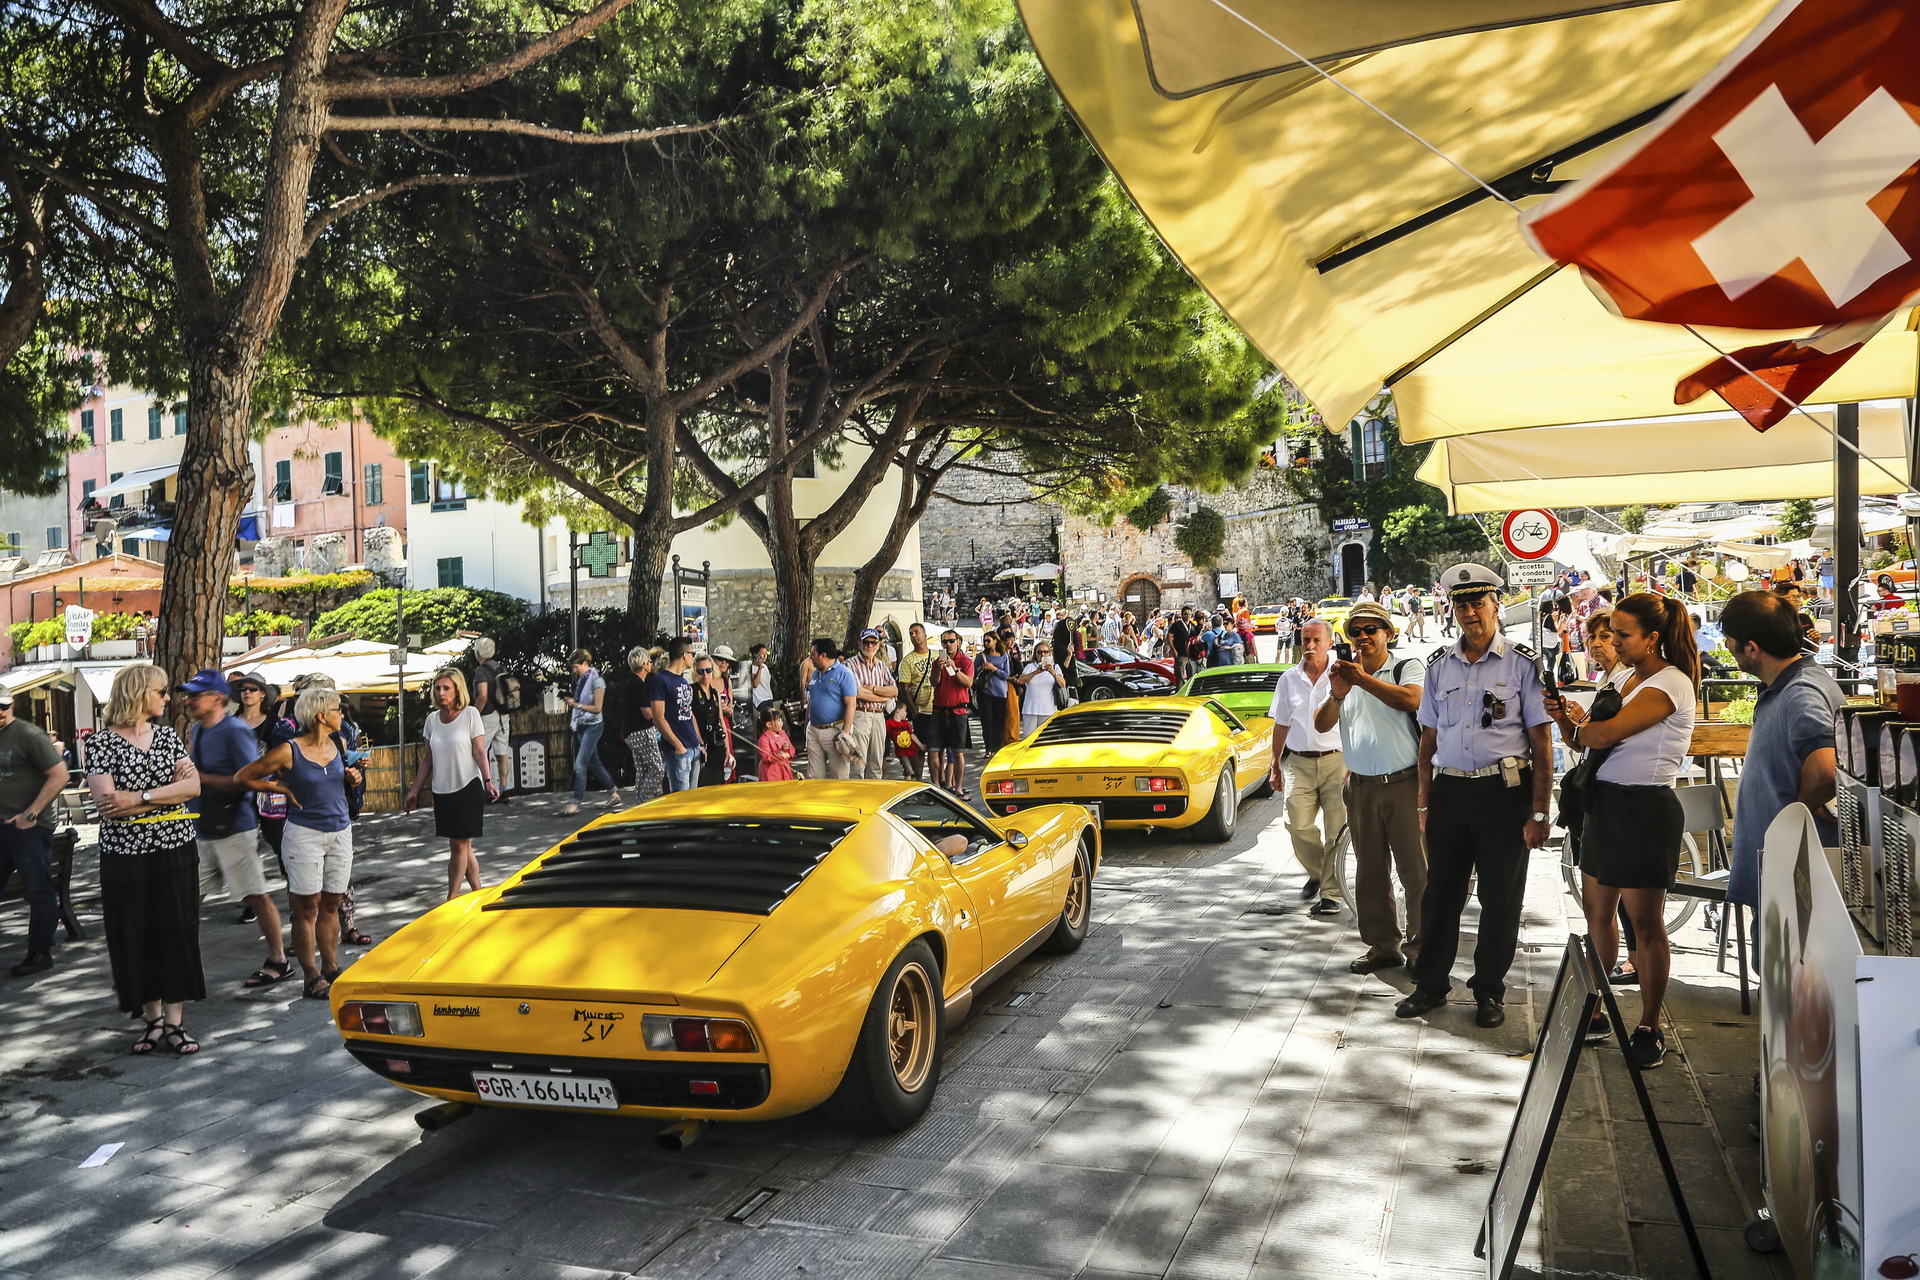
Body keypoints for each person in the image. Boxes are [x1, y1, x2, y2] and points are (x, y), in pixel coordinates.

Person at [1396, 563, 1553, 1030]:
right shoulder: (1439, 666)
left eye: (1478, 603)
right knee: (1439, 893)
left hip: (1505, 793)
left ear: (1495, 606)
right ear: (1452, 609)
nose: (1470, 612)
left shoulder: (1523, 665)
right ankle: (1430, 985)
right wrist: (1424, 803)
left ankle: (1489, 989)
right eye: (1461, 604)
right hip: (1450, 792)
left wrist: (1540, 810)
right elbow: (1427, 741)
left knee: (1500, 897)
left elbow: (1541, 744)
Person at [1544, 593, 1699, 1067]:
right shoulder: (1624, 675)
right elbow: (1586, 740)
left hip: (1643, 807)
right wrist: (1565, 719)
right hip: (1605, 803)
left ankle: (1650, 1024)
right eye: (1611, 632)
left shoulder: (1669, 684)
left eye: (1623, 634)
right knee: (1598, 913)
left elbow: (1604, 735)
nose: (1612, 641)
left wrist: (1584, 726)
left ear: (1653, 638)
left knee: (1646, 925)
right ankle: (1596, 1006)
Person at [86, 665, 204, 1053]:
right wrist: (166, 791)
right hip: (125, 856)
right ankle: (152, 1020)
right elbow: (108, 806)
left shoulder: (168, 736)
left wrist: (139, 797)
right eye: (160, 691)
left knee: (177, 930)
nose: (167, 697)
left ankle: (175, 1022)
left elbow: (193, 786)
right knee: (134, 933)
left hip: (175, 850)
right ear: (138, 694)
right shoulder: (101, 743)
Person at [1310, 603, 1427, 973]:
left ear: (1387, 633)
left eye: (1371, 629)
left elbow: (1410, 699)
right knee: (1370, 872)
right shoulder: (1344, 677)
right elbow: (1321, 724)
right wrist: (1339, 694)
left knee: (1417, 873)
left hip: (1405, 785)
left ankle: (1423, 949)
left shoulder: (1405, 666)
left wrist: (1362, 680)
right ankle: (1383, 946)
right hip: (1361, 788)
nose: (1363, 637)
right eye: (1356, 631)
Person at [1720, 589, 1842, 926]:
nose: (1729, 650)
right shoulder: (1794, 685)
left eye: (1731, 642)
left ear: (1752, 648)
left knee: (1787, 977)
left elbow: (1826, 771)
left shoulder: (1800, 692)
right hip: (1783, 871)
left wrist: (1797, 813)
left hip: (1794, 873)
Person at [238, 684, 360, 1000]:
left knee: (332, 904)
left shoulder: (338, 743)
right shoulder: (288, 750)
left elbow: (337, 777)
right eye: (336, 709)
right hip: (304, 835)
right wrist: (280, 790)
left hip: (340, 831)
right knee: (307, 908)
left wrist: (351, 776)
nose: (341, 714)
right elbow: (244, 777)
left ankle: (332, 967)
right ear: (321, 715)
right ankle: (311, 975)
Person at [181, 669, 289, 989]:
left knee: (256, 896)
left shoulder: (236, 730)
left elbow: (252, 779)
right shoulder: (199, 729)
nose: (189, 701)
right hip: (202, 825)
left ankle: (278, 960)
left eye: (195, 695)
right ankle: (180, 960)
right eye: (188, 696)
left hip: (233, 827)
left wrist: (201, 779)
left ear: (217, 698)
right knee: (188, 898)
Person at [1266, 619, 1348, 918]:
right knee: (1296, 823)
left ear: (1328, 643)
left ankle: (1330, 893)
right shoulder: (1289, 678)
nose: (1310, 646)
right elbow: (1281, 722)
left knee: (1336, 831)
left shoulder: (1343, 675)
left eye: (1316, 640)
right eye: (1305, 640)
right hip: (1298, 761)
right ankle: (1318, 871)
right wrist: (1275, 763)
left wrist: (1356, 759)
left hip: (1337, 760)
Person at [404, 668, 499, 901]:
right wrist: (414, 791)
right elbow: (427, 760)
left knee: (458, 846)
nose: (441, 692)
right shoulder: (432, 720)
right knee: (463, 847)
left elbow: (479, 751)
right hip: (442, 790)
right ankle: (479, 893)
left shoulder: (470, 715)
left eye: (446, 688)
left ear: (458, 690)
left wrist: (488, 780)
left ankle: (452, 897)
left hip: (467, 786)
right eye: (438, 688)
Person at [0, 681, 72, 977]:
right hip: (3, 828)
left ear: (12, 704)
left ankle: (40, 953)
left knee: (38, 890)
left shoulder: (28, 735)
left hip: (28, 827)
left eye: (3, 706)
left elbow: (60, 775)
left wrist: (31, 813)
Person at [561, 648, 619, 815]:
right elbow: (580, 702)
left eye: (576, 667)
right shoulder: (582, 681)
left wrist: (576, 705)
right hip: (582, 725)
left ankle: (576, 802)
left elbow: (597, 708)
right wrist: (573, 701)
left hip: (593, 726)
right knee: (594, 763)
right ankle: (613, 793)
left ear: (586, 664)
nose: (574, 671)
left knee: (580, 763)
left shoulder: (597, 681)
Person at [649, 639, 703, 792]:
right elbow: (658, 718)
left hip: (693, 746)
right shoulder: (661, 681)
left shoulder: (683, 681)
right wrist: (678, 745)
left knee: (692, 797)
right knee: (681, 800)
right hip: (678, 750)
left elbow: (688, 713)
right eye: (692, 653)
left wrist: (699, 742)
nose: (693, 657)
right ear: (684, 655)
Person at [844, 628, 898, 780]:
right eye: (866, 642)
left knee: (877, 762)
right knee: (858, 764)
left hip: (879, 716)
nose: (869, 646)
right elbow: (858, 693)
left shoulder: (881, 665)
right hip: (861, 714)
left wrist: (873, 689)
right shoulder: (851, 664)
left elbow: (894, 691)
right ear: (859, 644)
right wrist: (883, 697)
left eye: (873, 643)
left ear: (878, 644)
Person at [804, 637, 860, 780]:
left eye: (813, 654)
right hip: (814, 730)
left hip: (834, 730)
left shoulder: (844, 674)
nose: (811, 658)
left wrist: (845, 732)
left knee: (839, 775)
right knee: (814, 775)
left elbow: (851, 704)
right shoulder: (816, 673)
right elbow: (812, 701)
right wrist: (807, 725)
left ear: (823, 655)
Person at [929, 629, 976, 798]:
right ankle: (936, 787)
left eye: (951, 641)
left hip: (958, 710)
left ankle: (958, 788)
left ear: (958, 642)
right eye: (944, 642)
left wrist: (955, 669)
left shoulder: (965, 661)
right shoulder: (937, 661)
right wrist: (938, 670)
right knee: (934, 750)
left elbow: (969, 683)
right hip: (939, 710)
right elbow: (934, 682)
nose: (948, 644)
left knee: (958, 752)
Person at [469, 638, 513, 804]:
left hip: (487, 716)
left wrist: (473, 713)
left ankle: (484, 790)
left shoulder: (481, 671)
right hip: (504, 715)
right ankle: (503, 790)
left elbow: (483, 695)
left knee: (478, 752)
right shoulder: (501, 667)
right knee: (502, 754)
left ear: (478, 653)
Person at [623, 646, 666, 801]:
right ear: (643, 664)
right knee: (657, 768)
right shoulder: (637, 684)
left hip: (631, 731)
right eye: (649, 661)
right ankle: (647, 798)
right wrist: (660, 715)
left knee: (643, 768)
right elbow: (647, 713)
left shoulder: (631, 682)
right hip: (641, 730)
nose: (651, 664)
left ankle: (640, 799)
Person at [691, 656, 731, 787]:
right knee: (702, 782)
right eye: (701, 671)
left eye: (708, 670)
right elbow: (691, 718)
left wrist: (727, 748)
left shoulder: (715, 693)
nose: (705, 674)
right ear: (695, 671)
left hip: (715, 743)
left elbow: (721, 720)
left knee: (718, 781)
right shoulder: (692, 690)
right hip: (700, 745)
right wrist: (700, 743)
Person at [1015, 641, 1065, 737]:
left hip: (1048, 710)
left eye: (1045, 652)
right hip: (1030, 710)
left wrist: (1053, 672)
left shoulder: (1055, 667)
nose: (1043, 654)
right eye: (1039, 652)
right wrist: (1036, 672)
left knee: (1047, 739)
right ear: (1035, 654)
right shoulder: (1030, 667)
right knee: (1028, 739)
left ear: (1050, 653)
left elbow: (1062, 683)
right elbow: (1021, 680)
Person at [977, 633, 1012, 757]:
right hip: (985, 692)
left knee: (999, 721)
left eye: (988, 641)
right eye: (984, 641)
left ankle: (998, 747)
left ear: (995, 641)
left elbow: (1006, 675)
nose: (986, 643)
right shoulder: (981, 656)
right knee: (987, 721)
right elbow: (974, 673)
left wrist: (994, 669)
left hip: (1000, 693)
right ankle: (988, 748)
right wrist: (982, 667)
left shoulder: (1004, 656)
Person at [1772, 580, 1820, 653]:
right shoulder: (1773, 622)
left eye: (1798, 596)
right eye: (1792, 597)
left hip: (1805, 660)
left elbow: (1814, 651)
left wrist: (1816, 640)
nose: (1797, 600)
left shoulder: (1804, 618)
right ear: (1780, 600)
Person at [756, 704, 797, 781]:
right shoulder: (763, 739)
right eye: (778, 721)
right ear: (769, 724)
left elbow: (791, 750)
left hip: (784, 771)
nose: (782, 723)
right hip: (771, 774)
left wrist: (786, 754)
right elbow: (767, 757)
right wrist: (781, 751)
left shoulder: (783, 734)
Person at [887, 704, 927, 779]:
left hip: (912, 750)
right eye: (905, 711)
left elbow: (912, 735)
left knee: (916, 770)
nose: (906, 713)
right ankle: (908, 784)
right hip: (901, 752)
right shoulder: (889, 723)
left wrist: (920, 745)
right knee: (908, 770)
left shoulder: (905, 723)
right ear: (898, 710)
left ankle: (913, 785)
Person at [739, 642, 775, 717]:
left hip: (769, 697)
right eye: (762, 653)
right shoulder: (751, 668)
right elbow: (755, 684)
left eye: (766, 653)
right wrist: (759, 668)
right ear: (756, 654)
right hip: (760, 700)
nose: (765, 656)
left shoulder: (765, 667)